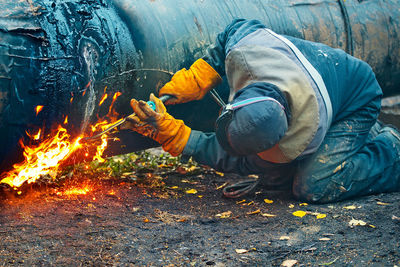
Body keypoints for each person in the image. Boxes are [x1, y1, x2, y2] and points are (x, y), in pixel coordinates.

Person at [123, 19, 400, 203]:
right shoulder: (251, 47)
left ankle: (390, 149)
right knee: (282, 173)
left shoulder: (303, 135)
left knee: (313, 185)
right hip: (326, 80)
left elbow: (240, 162)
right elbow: (236, 27)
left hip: (356, 97)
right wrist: (202, 73)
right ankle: (359, 139)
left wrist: (178, 137)